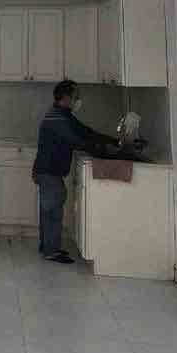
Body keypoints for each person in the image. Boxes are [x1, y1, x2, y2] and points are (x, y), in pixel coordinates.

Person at [33, 80, 118, 264]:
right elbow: (77, 141)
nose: (78, 99)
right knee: (52, 211)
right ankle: (51, 251)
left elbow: (86, 132)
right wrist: (106, 151)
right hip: (49, 172)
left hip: (48, 171)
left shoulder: (63, 115)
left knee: (49, 211)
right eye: (75, 96)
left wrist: (113, 141)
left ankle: (47, 247)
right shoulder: (57, 118)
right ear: (65, 98)